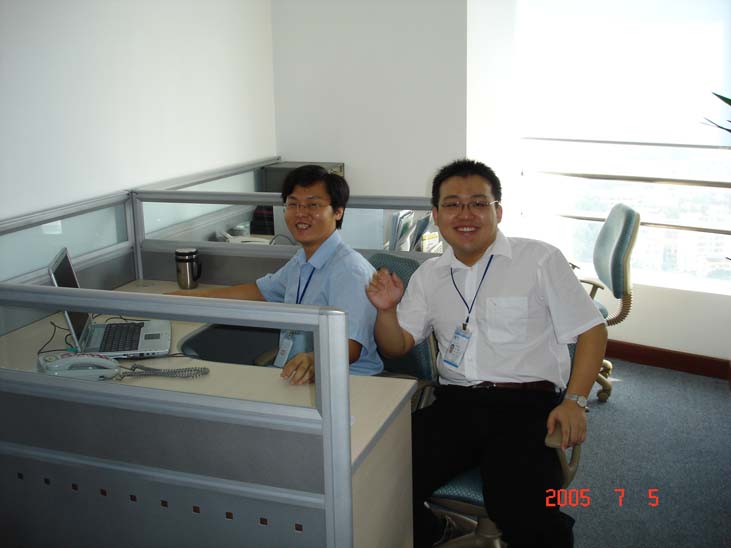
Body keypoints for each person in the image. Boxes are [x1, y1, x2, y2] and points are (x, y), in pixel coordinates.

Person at [366, 159, 607, 548]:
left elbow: (592, 329)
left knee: (523, 510)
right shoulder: (429, 275)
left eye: (478, 203)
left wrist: (575, 401)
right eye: (452, 204)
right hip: (455, 404)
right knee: (375, 479)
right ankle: (437, 531)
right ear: (436, 215)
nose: (465, 214)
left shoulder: (539, 259)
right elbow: (397, 345)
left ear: (498, 211)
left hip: (527, 407)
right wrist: (386, 311)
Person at [177, 164, 383, 383]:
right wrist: (190, 298)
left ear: (338, 211)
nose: (300, 213)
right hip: (301, 373)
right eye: (293, 204)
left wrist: (313, 360)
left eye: (313, 205)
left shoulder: (350, 271)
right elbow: (259, 291)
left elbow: (351, 347)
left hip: (348, 380)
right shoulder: (301, 260)